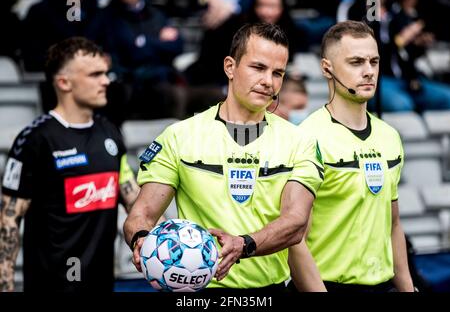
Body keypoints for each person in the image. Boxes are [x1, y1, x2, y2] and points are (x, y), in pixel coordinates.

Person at [123, 22, 325, 291]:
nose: (268, 81)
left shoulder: (301, 142)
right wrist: (141, 238)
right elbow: (142, 213)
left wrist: (243, 244)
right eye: (258, 67)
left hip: (269, 290)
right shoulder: (179, 136)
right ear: (230, 67)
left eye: (278, 73)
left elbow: (296, 222)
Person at [0, 37, 140, 292]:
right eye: (95, 74)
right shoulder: (34, 140)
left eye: (106, 73)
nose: (106, 81)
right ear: (64, 82)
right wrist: (6, 286)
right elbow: (8, 223)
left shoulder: (110, 132)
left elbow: (134, 200)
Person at [290, 20, 415, 292]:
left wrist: (408, 289)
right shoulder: (306, 137)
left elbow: (393, 224)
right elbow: (294, 240)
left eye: (374, 61)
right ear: (327, 68)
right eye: (356, 62)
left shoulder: (389, 136)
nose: (369, 71)